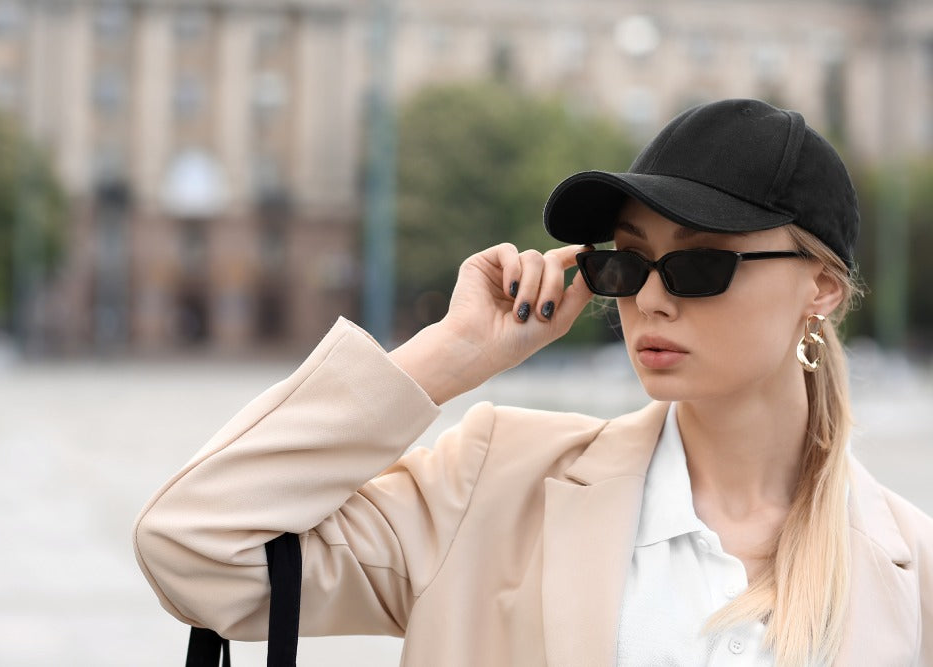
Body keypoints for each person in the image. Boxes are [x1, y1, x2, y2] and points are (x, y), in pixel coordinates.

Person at [134, 99, 933, 666]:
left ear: (821, 288)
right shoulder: (494, 485)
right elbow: (194, 544)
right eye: (621, 260)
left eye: (698, 262)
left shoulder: (915, 570)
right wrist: (450, 355)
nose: (649, 296)